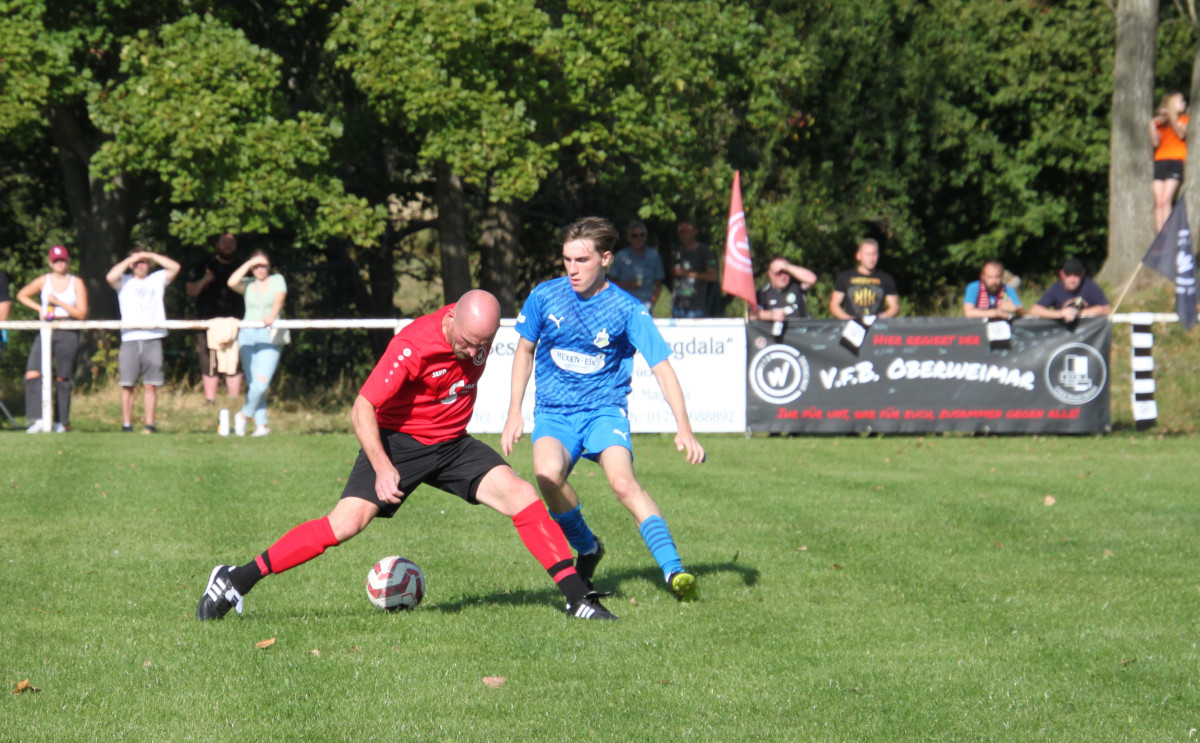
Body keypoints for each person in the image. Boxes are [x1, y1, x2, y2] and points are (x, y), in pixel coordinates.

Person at [196, 290, 616, 621]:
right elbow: (362, 408)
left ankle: (578, 599)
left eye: (484, 345)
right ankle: (235, 580)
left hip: (452, 443)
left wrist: (512, 413)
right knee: (345, 524)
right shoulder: (413, 344)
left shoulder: (477, 332)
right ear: (451, 319)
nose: (475, 354)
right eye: (469, 344)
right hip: (398, 443)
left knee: (522, 495)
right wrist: (382, 467)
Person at [502, 217, 706, 602]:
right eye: (567, 260)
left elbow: (662, 368)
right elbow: (524, 349)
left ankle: (675, 570)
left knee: (623, 483)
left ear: (606, 258)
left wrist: (684, 427)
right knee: (546, 474)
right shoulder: (545, 296)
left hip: (603, 412)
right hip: (555, 413)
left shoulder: (627, 310)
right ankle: (588, 546)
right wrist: (515, 411)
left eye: (582, 260)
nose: (572, 269)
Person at [106, 247, 182, 433]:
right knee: (128, 385)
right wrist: (130, 259)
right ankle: (127, 424)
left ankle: (150, 424)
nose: (141, 265)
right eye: (137, 263)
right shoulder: (124, 281)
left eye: (144, 262)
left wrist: (151, 255)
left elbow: (175, 267)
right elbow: (110, 277)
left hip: (153, 337)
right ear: (131, 265)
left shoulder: (156, 280)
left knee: (151, 385)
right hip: (130, 337)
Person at [16, 246, 89, 433]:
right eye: (56, 260)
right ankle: (38, 418)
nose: (60, 264)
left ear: (68, 262)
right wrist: (39, 308)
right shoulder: (44, 280)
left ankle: (61, 421)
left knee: (62, 377)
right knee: (33, 372)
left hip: (68, 328)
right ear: (50, 262)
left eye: (63, 260)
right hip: (46, 328)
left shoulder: (76, 282)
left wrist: (59, 303)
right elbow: (22, 295)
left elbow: (81, 313)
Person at [227, 250, 286, 437]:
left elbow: (279, 298)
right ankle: (262, 425)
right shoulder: (249, 284)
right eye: (256, 266)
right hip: (247, 335)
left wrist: (271, 315)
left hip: (269, 334)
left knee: (261, 383)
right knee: (253, 384)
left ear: (269, 266)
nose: (260, 269)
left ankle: (243, 415)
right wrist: (250, 262)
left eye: (263, 265)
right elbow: (231, 282)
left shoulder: (277, 279)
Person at [186, 233, 244, 405]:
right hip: (207, 323)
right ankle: (210, 401)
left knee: (235, 362)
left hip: (238, 323)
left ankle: (233, 401)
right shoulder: (204, 265)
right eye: (224, 242)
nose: (228, 246)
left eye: (231, 243)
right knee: (209, 361)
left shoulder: (242, 267)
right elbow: (190, 291)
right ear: (217, 245)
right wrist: (204, 280)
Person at [829, 238, 900, 320]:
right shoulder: (845, 277)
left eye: (874, 254)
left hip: (877, 327)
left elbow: (894, 307)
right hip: (852, 328)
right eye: (868, 254)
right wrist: (848, 319)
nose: (871, 258)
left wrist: (879, 318)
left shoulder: (886, 279)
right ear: (858, 256)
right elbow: (834, 305)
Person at [1029, 257, 1111, 322]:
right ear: (1062, 274)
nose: (1072, 280)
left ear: (1082, 274)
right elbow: (1035, 310)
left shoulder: (1089, 286)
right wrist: (1061, 314)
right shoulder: (1056, 288)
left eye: (1076, 275)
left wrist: (1078, 313)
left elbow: (1106, 309)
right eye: (1068, 275)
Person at [1151, 91, 1188, 232]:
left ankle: (1167, 232)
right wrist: (1153, 124)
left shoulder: (1184, 119)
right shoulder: (1162, 123)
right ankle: (1160, 232)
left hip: (1176, 161)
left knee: (1166, 199)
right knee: (1159, 201)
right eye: (1181, 101)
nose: (1184, 103)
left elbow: (1181, 134)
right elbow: (1155, 142)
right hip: (1160, 160)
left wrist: (1171, 117)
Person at [608, 220, 665, 311]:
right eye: (634, 235)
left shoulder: (654, 255)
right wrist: (627, 284)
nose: (638, 238)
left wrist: (652, 302)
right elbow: (610, 283)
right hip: (624, 306)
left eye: (642, 235)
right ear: (629, 238)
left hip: (646, 306)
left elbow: (659, 283)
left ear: (646, 237)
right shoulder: (621, 256)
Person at [670, 219, 717, 318]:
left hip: (695, 307)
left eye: (686, 231)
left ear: (695, 232)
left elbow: (712, 276)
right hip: (677, 304)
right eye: (681, 232)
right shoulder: (678, 251)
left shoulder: (705, 251)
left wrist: (686, 273)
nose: (683, 234)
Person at [756, 256, 817, 322]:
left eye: (786, 272)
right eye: (779, 272)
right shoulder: (763, 293)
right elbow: (753, 315)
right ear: (770, 274)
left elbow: (812, 279)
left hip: (800, 330)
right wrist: (771, 315)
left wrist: (787, 267)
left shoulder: (797, 285)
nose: (783, 277)